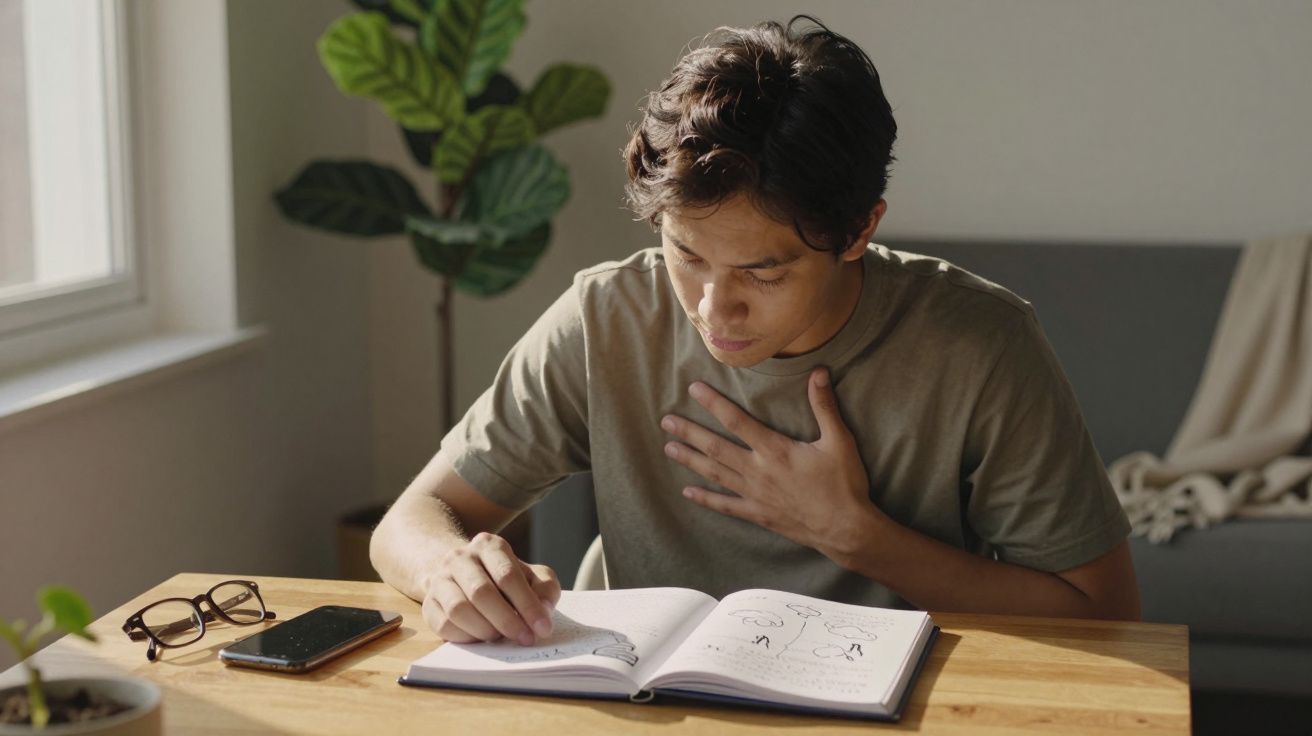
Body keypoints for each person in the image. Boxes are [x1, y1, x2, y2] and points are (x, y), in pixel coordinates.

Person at [371, 16, 1141, 646]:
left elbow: (1104, 616)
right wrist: (452, 570)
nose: (712, 308)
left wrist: (856, 536)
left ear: (858, 230)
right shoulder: (607, 319)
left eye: (763, 273)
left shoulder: (980, 346)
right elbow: (408, 522)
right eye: (686, 254)